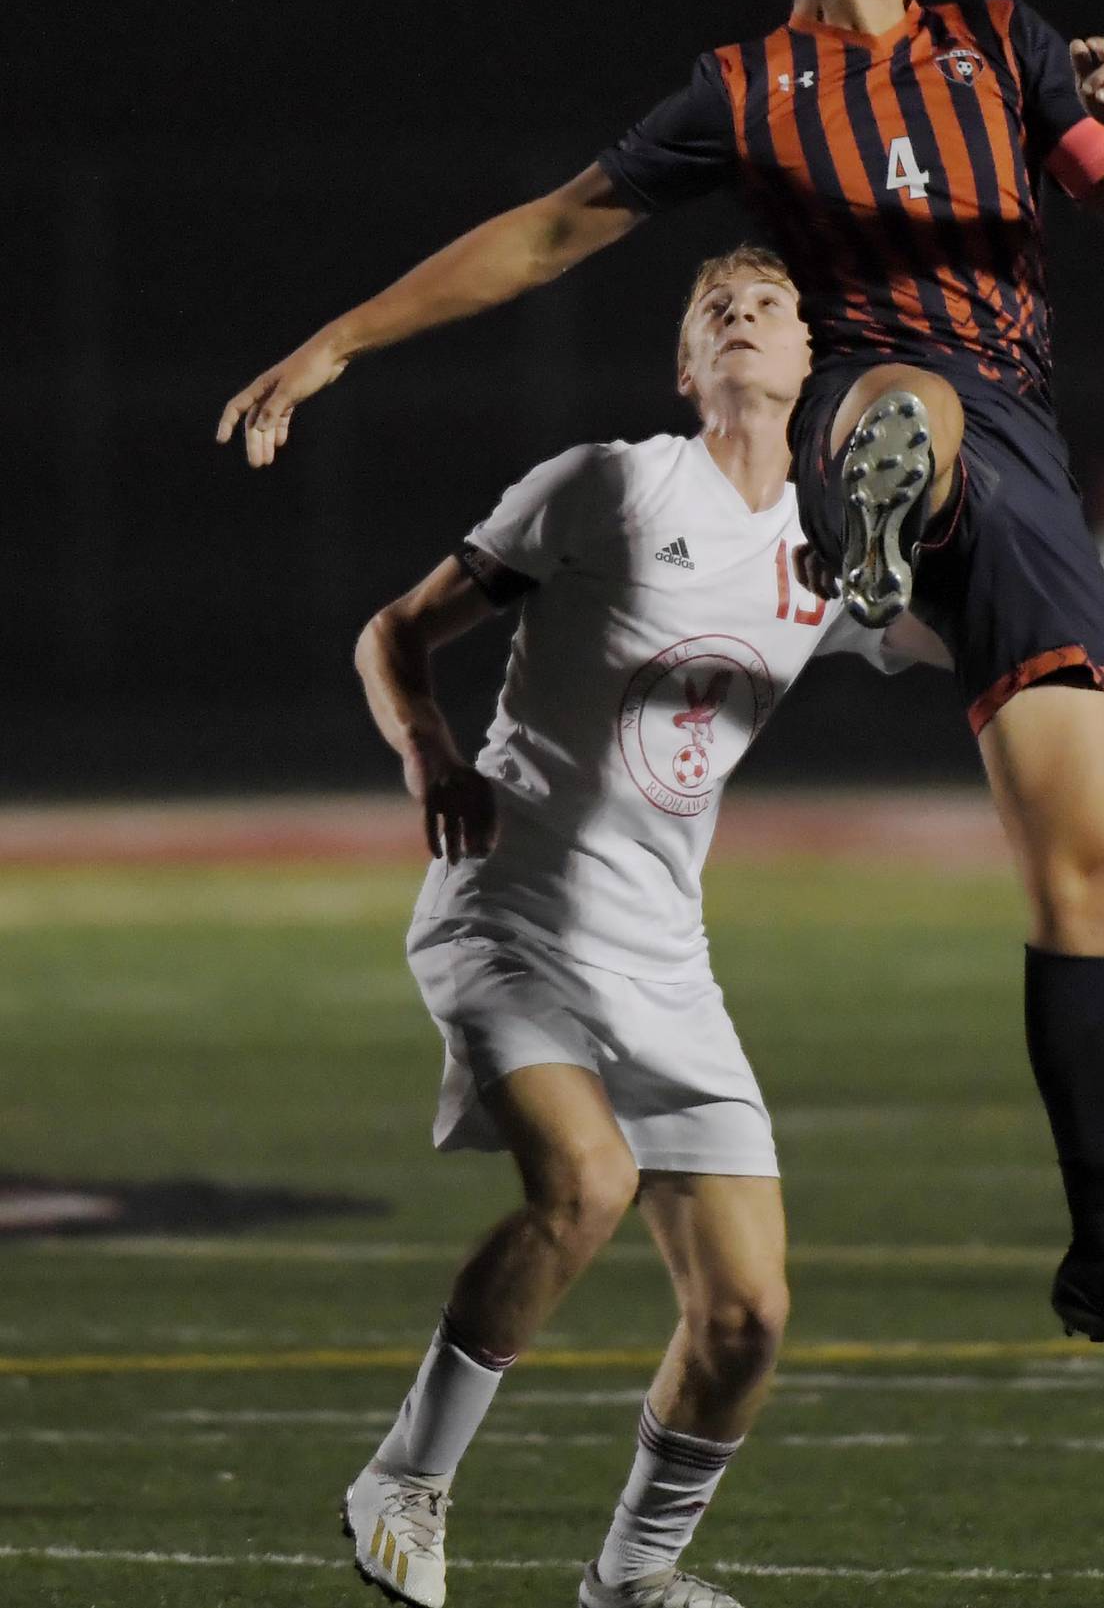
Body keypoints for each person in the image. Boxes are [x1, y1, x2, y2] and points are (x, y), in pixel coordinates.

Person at [217, 0, 1104, 1376]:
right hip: (868, 408)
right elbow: (554, 230)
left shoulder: (1010, 43)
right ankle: (862, 545)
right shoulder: (753, 91)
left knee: (1085, 868)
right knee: (896, 403)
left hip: (1033, 464)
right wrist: (342, 337)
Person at [342, 247, 938, 1608]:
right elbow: (391, 632)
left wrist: (1008, 577)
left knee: (745, 1316)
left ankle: (632, 1578)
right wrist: (430, 751)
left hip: (666, 957)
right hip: (511, 915)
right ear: (685, 368)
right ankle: (407, 1478)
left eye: (773, 305)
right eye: (713, 306)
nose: (742, 314)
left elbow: (962, 641)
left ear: (809, 364)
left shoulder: (828, 546)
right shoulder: (609, 483)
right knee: (588, 1184)